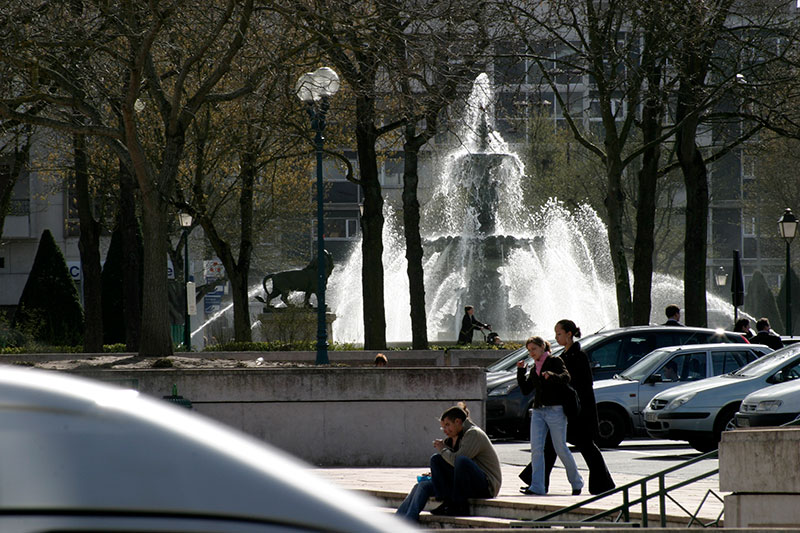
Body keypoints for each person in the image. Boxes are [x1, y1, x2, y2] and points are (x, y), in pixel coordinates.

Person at [543, 320, 615, 495]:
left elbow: (584, 385)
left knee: (584, 446)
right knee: (553, 445)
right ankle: (537, 482)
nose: (556, 337)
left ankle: (603, 484)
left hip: (578, 410)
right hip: (570, 408)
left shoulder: (578, 355)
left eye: (559, 333)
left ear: (569, 334)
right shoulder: (566, 354)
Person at [395, 403, 502, 521]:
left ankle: (458, 505)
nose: (445, 430)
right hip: (465, 484)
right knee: (425, 479)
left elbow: (458, 462)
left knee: (461, 460)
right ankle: (403, 521)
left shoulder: (473, 433)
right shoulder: (455, 437)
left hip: (486, 486)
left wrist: (443, 449)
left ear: (458, 422)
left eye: (447, 425)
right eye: (443, 427)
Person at [517, 336, 584, 496]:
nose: (531, 353)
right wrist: (520, 371)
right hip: (539, 411)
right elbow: (526, 390)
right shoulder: (534, 369)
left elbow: (566, 377)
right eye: (529, 350)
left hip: (556, 410)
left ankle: (576, 482)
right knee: (536, 449)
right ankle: (537, 487)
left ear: (542, 347)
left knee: (560, 447)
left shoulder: (555, 361)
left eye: (534, 349)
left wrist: (552, 375)